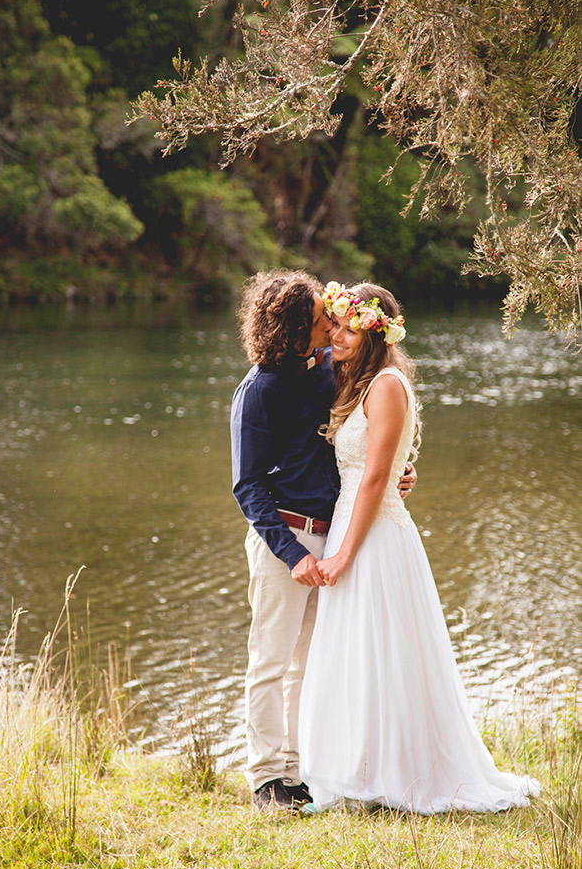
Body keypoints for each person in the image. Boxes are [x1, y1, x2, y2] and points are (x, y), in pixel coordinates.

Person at [298, 281, 540, 814]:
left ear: (373, 333)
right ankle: (356, 770)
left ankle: (398, 775)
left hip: (375, 535)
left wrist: (343, 555)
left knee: (386, 653)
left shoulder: (385, 385)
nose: (333, 334)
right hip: (348, 523)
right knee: (354, 652)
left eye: (345, 327)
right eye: (332, 324)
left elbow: (376, 476)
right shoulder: (348, 378)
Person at [230, 270, 417, 810]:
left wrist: (399, 473)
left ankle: (300, 770)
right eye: (319, 320)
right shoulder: (257, 393)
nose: (331, 325)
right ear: (292, 332)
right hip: (283, 540)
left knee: (309, 662)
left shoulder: (326, 371)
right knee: (270, 659)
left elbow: (368, 436)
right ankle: (268, 778)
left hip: (334, 536)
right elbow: (247, 487)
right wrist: (291, 556)